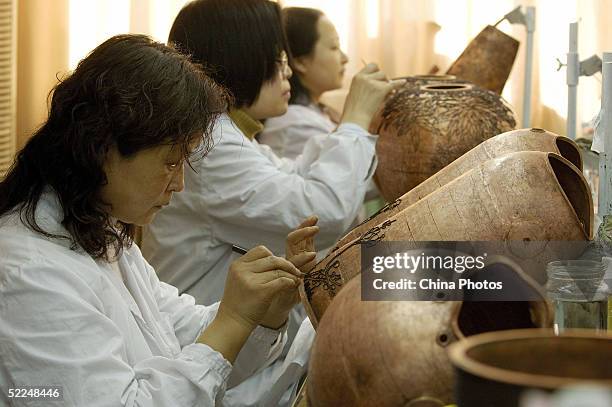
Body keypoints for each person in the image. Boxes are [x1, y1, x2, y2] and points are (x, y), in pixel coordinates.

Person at [0, 34, 319, 406]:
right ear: (102, 146)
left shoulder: (103, 231)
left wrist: (264, 310)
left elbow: (188, 340)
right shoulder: (29, 275)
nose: (180, 184)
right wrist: (232, 320)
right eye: (170, 162)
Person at [142, 1, 402, 403]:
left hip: (243, 348)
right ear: (242, 60)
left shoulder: (228, 134)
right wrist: (354, 120)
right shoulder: (210, 145)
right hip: (220, 364)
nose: (285, 71)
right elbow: (322, 209)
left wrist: (359, 129)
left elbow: (294, 176)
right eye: (276, 57)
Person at [258, 7, 347, 159]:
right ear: (300, 62)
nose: (345, 58)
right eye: (334, 47)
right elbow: (344, 173)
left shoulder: (316, 111)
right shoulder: (296, 123)